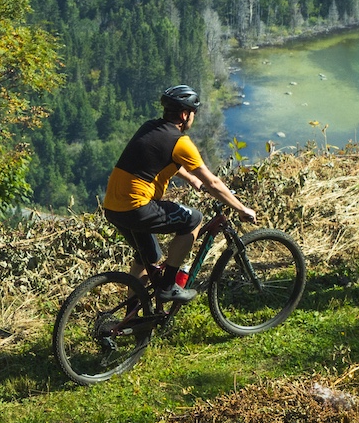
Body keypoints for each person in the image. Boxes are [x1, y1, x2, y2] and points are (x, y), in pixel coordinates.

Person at [101, 84, 257, 302]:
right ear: (185, 114)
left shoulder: (150, 128)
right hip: (137, 208)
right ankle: (168, 286)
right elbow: (212, 181)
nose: (193, 117)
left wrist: (191, 179)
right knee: (194, 219)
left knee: (148, 258)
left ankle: (133, 320)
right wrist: (240, 208)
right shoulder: (180, 141)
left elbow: (163, 159)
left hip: (113, 207)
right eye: (193, 113)